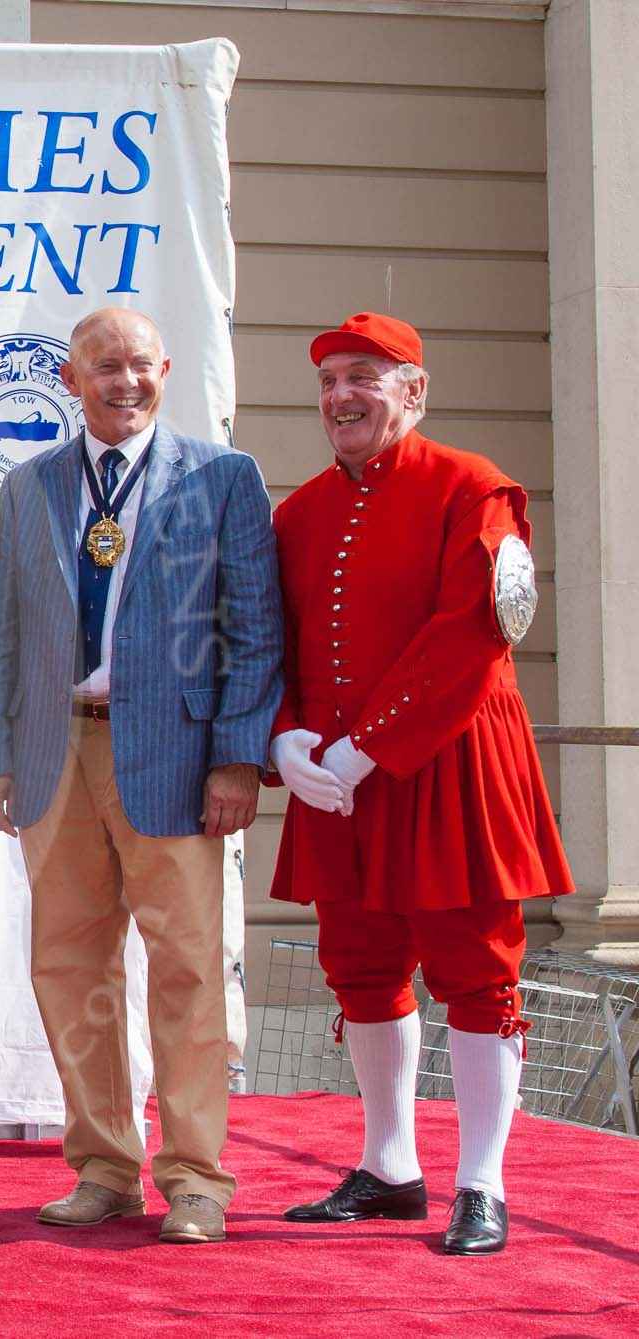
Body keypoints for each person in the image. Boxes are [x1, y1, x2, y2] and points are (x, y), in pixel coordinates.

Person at [0, 307, 281, 1246]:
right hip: (52, 750)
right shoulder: (26, 488)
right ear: (71, 379)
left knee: (186, 965)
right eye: (105, 367)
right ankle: (105, 1166)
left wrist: (236, 756)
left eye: (141, 365)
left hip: (178, 758)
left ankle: (195, 1177)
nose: (125, 382)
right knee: (69, 965)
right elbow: (2, 636)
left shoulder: (224, 479)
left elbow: (255, 626)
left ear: (166, 369)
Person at [272, 313, 570, 1256]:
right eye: (327, 382)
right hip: (333, 779)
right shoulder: (299, 511)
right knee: (358, 964)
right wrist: (286, 740)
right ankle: (390, 1165)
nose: (340, 397)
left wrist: (366, 748)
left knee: (476, 969)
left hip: (448, 766)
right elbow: (271, 640)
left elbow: (473, 634)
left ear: (413, 392)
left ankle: (481, 1182)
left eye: (363, 377)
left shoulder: (476, 488)